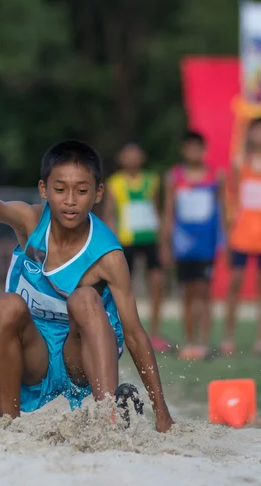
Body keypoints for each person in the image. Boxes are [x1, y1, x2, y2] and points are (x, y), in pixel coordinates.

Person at [0, 140, 173, 432]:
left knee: (86, 297)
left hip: (81, 356)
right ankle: (9, 426)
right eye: (60, 190)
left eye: (82, 190)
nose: (70, 200)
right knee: (3, 305)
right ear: (43, 190)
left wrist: (161, 410)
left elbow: (134, 332)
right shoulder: (31, 222)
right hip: (35, 351)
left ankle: (109, 419)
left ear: (98, 193)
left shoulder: (109, 256)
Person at [160, 131, 223, 360]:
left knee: (204, 293)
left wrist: (222, 242)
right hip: (183, 246)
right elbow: (168, 212)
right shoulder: (174, 177)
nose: (193, 152)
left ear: (203, 150)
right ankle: (189, 342)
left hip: (207, 246)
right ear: (183, 150)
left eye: (198, 148)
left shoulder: (216, 176)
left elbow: (221, 211)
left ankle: (203, 343)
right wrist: (165, 244)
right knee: (186, 294)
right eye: (189, 148)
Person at [103, 142, 170, 353]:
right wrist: (110, 244)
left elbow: (157, 210)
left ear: (142, 157)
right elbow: (109, 214)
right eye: (127, 155)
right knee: (121, 287)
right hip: (126, 241)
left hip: (150, 238)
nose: (132, 159)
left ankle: (155, 332)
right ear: (120, 159)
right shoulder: (115, 183)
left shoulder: (152, 180)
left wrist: (164, 242)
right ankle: (120, 330)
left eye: (136, 154)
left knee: (157, 282)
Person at [222, 117, 261, 356]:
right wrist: (228, 231)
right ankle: (228, 336)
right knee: (234, 284)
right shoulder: (240, 161)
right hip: (241, 233)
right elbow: (231, 199)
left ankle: (259, 339)